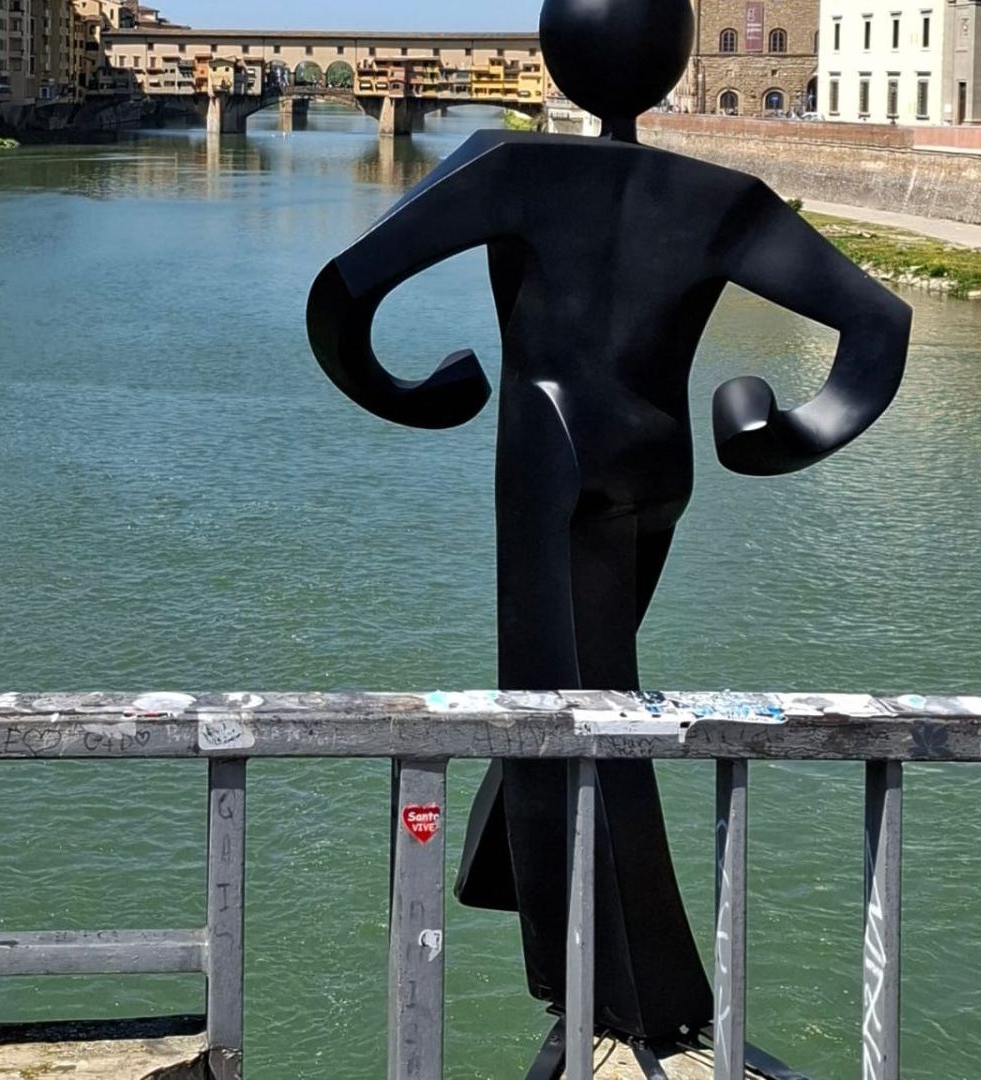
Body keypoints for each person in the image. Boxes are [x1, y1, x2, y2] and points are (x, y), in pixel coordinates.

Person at [306, 0, 910, 1071]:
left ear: (561, 50)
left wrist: (416, 394)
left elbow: (344, 295)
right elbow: (877, 324)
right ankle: (524, 888)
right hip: (659, 472)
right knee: (590, 692)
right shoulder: (718, 195)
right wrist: (780, 431)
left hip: (553, 463)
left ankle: (640, 996)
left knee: (569, 713)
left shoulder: (510, 167)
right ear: (673, 57)